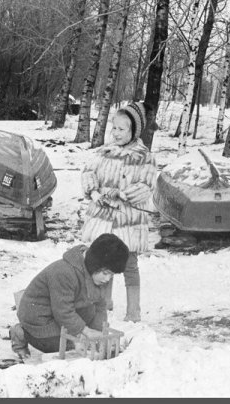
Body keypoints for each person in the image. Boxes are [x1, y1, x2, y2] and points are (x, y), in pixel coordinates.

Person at [80, 102, 157, 322]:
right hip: (103, 216)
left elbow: (146, 185)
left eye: (122, 129)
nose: (116, 133)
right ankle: (103, 304)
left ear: (134, 130)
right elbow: (88, 173)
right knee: (103, 260)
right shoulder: (104, 152)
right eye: (114, 128)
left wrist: (123, 195)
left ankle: (134, 311)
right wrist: (95, 193)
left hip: (128, 219)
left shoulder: (145, 157)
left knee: (129, 264)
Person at [10, 233, 129, 357]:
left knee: (86, 339)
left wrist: (97, 335)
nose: (107, 279)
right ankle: (22, 333)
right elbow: (63, 311)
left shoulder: (96, 274)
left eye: (111, 275)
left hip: (60, 313)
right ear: (94, 264)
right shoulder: (63, 272)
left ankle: (78, 338)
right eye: (105, 273)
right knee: (67, 346)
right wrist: (86, 332)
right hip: (39, 317)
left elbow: (99, 306)